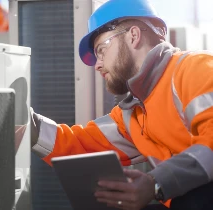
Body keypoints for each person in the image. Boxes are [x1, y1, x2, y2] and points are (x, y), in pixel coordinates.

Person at [30, 0, 213, 209]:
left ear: (133, 36)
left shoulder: (196, 69)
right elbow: (79, 146)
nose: (97, 65)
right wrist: (26, 125)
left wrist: (155, 183)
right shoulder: (132, 112)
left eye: (101, 50)